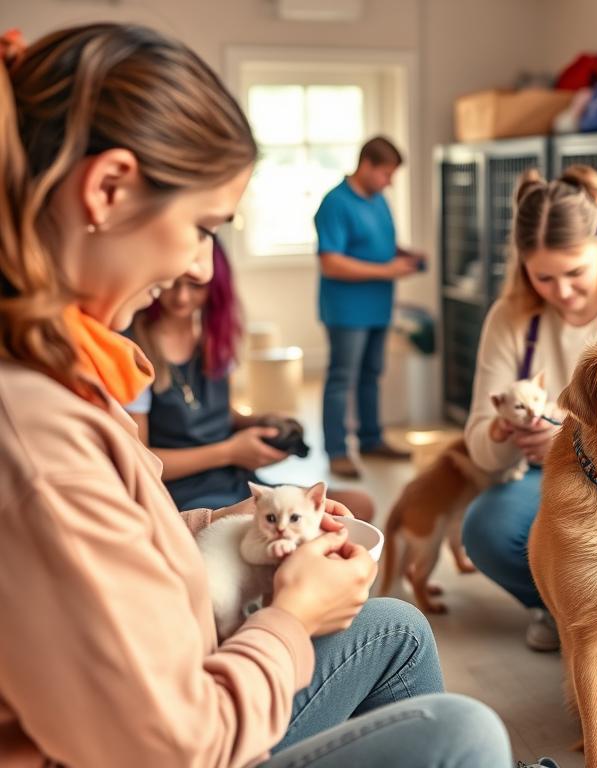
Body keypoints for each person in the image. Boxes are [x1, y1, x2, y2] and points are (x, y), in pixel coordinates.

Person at [0, 23, 512, 768]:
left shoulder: (71, 371)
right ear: (108, 189)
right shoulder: (37, 428)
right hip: (183, 740)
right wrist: (293, 619)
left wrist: (226, 520)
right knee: (467, 733)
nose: (204, 271)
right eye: (202, 229)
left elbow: (111, 538)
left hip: (182, 665)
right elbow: (174, 746)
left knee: (395, 627)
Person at [461, 167, 597, 651]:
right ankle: (561, 606)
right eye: (543, 278)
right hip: (547, 477)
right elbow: (482, 448)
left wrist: (567, 432)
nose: (561, 292)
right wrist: (502, 428)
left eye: (574, 273)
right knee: (487, 529)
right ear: (522, 267)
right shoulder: (510, 318)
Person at [125, 238, 374, 521]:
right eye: (172, 283)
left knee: (357, 506)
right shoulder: (135, 352)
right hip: (187, 495)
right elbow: (140, 460)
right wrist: (229, 452)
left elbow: (219, 413)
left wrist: (258, 423)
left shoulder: (213, 338)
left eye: (195, 285)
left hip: (237, 480)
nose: (182, 297)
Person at [314, 136, 424, 479]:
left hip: (378, 306)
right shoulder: (335, 203)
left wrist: (405, 256)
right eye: (386, 174)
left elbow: (381, 246)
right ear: (366, 166)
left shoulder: (379, 201)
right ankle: (336, 451)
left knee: (371, 375)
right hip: (347, 310)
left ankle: (371, 439)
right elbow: (330, 262)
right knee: (341, 378)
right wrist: (387, 270)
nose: (389, 181)